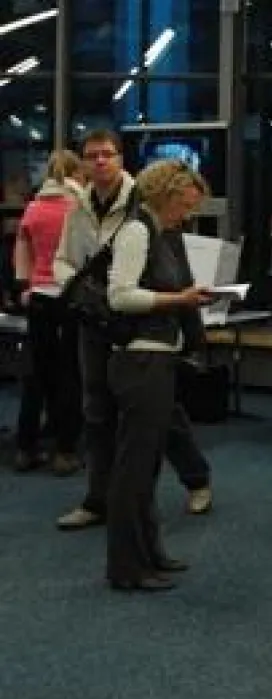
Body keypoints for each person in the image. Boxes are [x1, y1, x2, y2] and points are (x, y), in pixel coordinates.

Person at [53, 130, 214, 531]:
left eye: (107, 154)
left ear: (122, 159)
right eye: (91, 156)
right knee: (97, 410)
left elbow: (179, 277)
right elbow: (63, 260)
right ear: (83, 163)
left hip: (142, 330)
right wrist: (78, 292)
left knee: (158, 412)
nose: (100, 162)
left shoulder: (148, 207)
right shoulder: (78, 208)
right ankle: (98, 499)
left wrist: (194, 340)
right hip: (95, 322)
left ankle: (196, 479)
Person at [105, 159, 214, 591]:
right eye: (183, 206)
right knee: (134, 469)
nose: (185, 215)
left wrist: (181, 300)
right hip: (140, 362)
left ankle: (148, 554)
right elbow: (120, 296)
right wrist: (178, 299)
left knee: (146, 466)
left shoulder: (156, 232)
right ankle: (127, 568)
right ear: (164, 196)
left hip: (155, 360)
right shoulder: (136, 232)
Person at [11, 150, 87, 474]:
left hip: (38, 298)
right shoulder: (79, 209)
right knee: (70, 373)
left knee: (36, 375)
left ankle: (25, 448)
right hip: (69, 296)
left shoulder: (33, 208)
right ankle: (65, 451)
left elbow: (21, 253)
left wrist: (25, 287)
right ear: (77, 175)